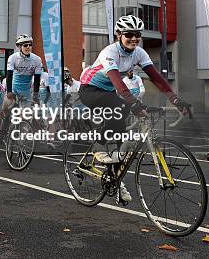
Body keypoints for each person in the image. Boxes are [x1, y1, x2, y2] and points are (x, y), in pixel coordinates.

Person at [79, 15, 191, 202]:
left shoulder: (139, 53)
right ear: (118, 35)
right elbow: (118, 82)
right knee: (121, 106)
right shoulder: (110, 52)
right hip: (89, 89)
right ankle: (99, 145)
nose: (134, 38)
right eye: (129, 34)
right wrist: (134, 104)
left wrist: (176, 100)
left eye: (137, 34)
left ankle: (115, 180)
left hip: (108, 91)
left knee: (121, 138)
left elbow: (156, 78)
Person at [2, 34, 43, 117]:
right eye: (25, 45)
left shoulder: (37, 59)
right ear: (19, 47)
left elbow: (37, 78)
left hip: (26, 90)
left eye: (30, 45)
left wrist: (35, 94)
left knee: (26, 115)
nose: (28, 47)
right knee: (6, 109)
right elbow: (9, 75)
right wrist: (9, 92)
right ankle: (4, 129)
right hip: (14, 88)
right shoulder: (13, 58)